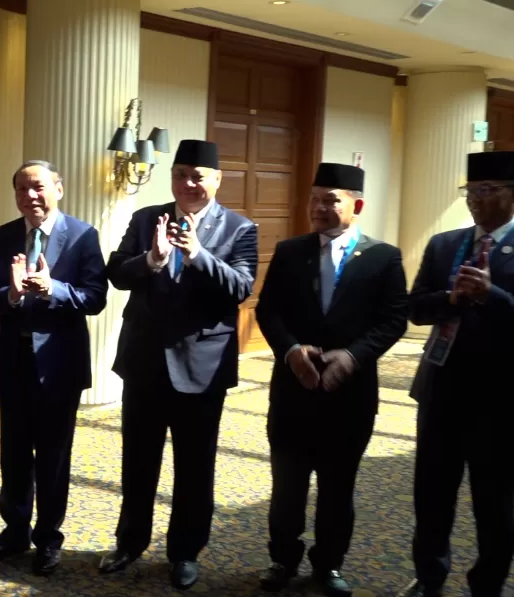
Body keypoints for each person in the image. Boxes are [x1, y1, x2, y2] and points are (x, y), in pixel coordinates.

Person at [101, 139, 257, 589]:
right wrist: (151, 259)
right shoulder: (146, 218)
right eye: (180, 174)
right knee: (138, 462)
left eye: (198, 176)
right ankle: (129, 543)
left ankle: (185, 552)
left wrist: (196, 255)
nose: (188, 184)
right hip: (145, 362)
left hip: (202, 368)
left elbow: (240, 288)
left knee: (194, 467)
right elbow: (116, 273)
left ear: (217, 180)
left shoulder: (239, 228)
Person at [254, 163, 408, 597]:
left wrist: (354, 357)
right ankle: (282, 558)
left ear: (356, 205)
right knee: (287, 486)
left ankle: (329, 564)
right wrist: (290, 351)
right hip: (293, 391)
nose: (319, 208)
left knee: (338, 487)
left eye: (331, 200)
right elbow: (268, 311)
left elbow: (394, 318)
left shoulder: (383, 256)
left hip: (350, 395)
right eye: (314, 199)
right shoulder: (289, 251)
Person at [0, 160, 107, 576]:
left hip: (59, 366)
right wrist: (10, 295)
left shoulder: (83, 236)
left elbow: (95, 297)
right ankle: (14, 532)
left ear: (58, 190)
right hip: (12, 363)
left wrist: (55, 290)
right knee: (13, 453)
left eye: (39, 187)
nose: (31, 195)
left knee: (52, 456)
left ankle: (48, 538)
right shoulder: (0, 237)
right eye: (22, 189)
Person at [399, 150, 514, 597]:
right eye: (471, 191)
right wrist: (449, 299)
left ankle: (487, 584)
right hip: (441, 392)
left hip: (500, 400)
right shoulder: (446, 244)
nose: (476, 201)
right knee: (431, 495)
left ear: (511, 194)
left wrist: (493, 295)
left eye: (488, 191)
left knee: (494, 503)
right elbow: (415, 308)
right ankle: (429, 577)